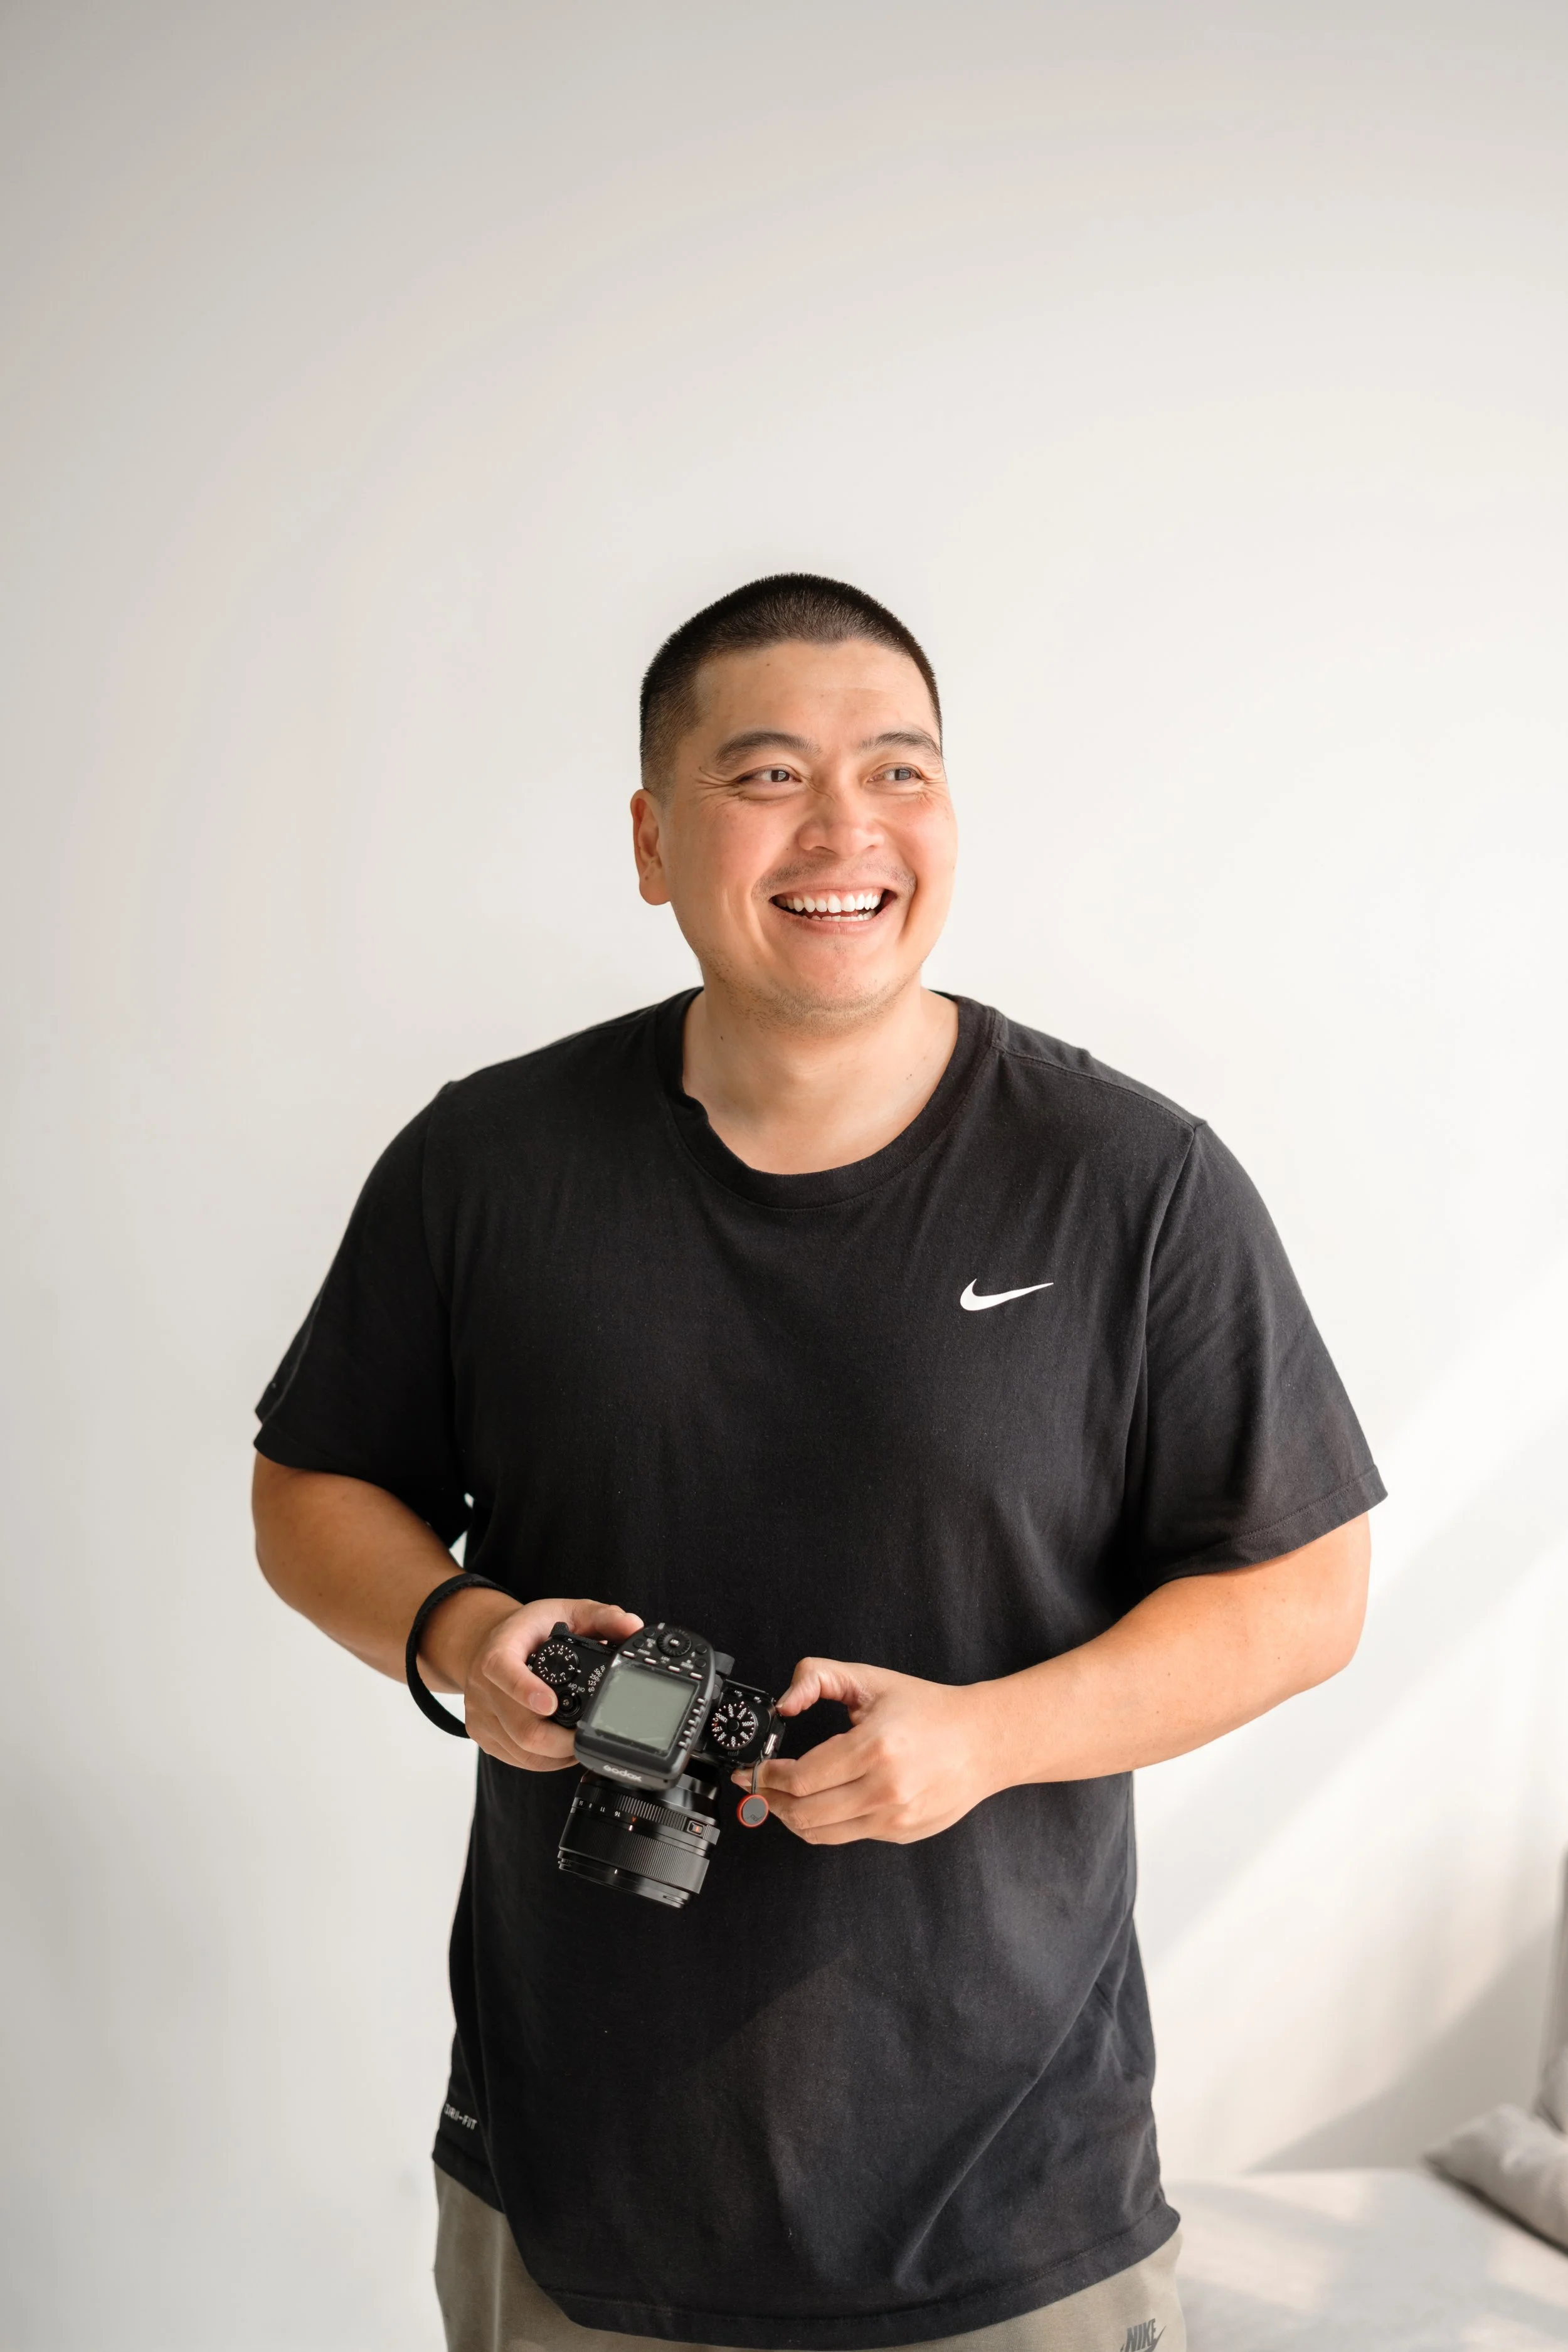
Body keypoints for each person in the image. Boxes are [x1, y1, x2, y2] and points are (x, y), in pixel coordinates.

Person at [252, 574, 1383, 2352]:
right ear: (652, 840)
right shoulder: (486, 1165)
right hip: (575, 2190)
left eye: (898, 771)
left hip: (1011, 2206)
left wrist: (986, 1738)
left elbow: (1304, 1589)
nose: (845, 829)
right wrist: (454, 1631)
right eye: (767, 774)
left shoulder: (1130, 1183)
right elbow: (312, 1487)